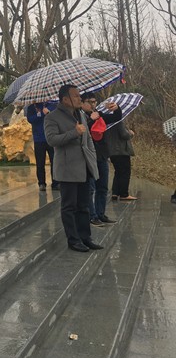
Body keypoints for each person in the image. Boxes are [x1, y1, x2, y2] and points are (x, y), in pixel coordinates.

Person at [44, 85, 104, 253]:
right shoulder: (52, 117)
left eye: (79, 95)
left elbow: (88, 138)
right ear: (65, 99)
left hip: (84, 167)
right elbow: (52, 140)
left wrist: (92, 155)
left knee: (84, 205)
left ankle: (85, 237)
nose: (79, 98)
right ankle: (73, 240)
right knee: (69, 207)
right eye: (76, 96)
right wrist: (74, 132)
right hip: (67, 168)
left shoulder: (81, 114)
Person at [81, 92, 122, 227]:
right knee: (90, 188)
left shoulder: (99, 114)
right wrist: (91, 120)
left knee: (103, 187)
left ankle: (100, 214)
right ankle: (92, 216)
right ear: (82, 103)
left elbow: (116, 117)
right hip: (89, 157)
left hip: (102, 155)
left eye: (94, 102)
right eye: (90, 102)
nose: (93, 104)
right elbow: (81, 133)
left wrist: (116, 108)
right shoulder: (80, 116)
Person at [26, 101, 58, 191]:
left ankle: (56, 183)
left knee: (54, 161)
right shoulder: (31, 107)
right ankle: (41, 183)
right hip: (38, 139)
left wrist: (48, 112)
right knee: (40, 163)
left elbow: (56, 118)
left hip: (51, 138)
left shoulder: (51, 105)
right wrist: (40, 114)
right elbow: (30, 119)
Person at [106, 121, 137, 201]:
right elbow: (124, 135)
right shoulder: (118, 121)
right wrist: (130, 133)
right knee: (125, 172)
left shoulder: (109, 122)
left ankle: (115, 192)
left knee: (118, 172)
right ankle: (124, 194)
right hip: (121, 151)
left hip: (112, 151)